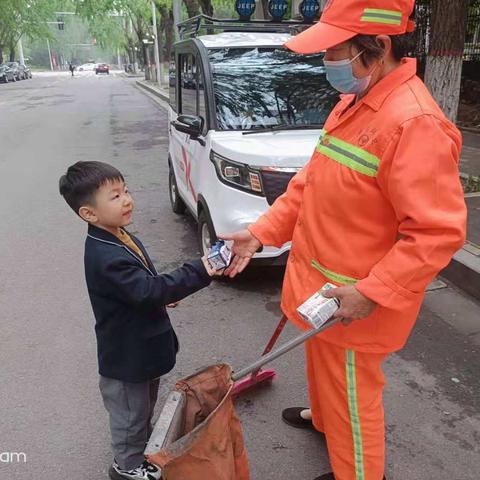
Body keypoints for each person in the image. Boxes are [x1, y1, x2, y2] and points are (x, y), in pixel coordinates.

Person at [222, 0, 467, 479]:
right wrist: (259, 234)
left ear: (378, 46)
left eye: (335, 51)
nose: (328, 62)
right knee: (322, 368)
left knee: (354, 397)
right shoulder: (354, 103)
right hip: (321, 292)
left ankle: (354, 466)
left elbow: (437, 232)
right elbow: (309, 185)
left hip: (353, 302)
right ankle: (325, 420)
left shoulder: (413, 123)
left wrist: (371, 292)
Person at [59, 161, 221, 480]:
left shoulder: (115, 235)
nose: (128, 200)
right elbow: (145, 290)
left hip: (140, 350)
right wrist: (199, 269)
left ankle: (137, 449)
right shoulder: (105, 255)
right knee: (130, 415)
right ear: (89, 214)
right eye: (115, 196)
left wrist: (157, 293)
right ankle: (127, 466)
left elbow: (141, 286)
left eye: (126, 191)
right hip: (126, 357)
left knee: (141, 408)